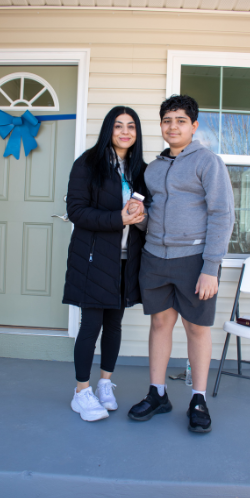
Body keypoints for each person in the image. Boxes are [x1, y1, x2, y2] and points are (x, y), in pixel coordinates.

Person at [128, 94, 234, 433]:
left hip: (193, 260)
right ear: (161, 125)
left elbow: (222, 214)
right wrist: (139, 218)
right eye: (167, 120)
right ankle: (157, 393)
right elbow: (152, 215)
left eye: (180, 120)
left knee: (196, 329)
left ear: (193, 126)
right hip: (155, 258)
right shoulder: (154, 167)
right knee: (160, 324)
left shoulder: (207, 162)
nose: (173, 126)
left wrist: (210, 267)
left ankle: (198, 398)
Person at [63, 106, 152, 421]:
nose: (125, 132)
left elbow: (145, 215)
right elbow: (77, 211)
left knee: (115, 324)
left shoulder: (140, 169)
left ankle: (104, 384)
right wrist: (118, 218)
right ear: (108, 130)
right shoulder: (88, 164)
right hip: (93, 258)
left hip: (127, 261)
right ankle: (81, 392)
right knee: (92, 324)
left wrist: (140, 220)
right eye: (118, 126)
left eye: (131, 126)